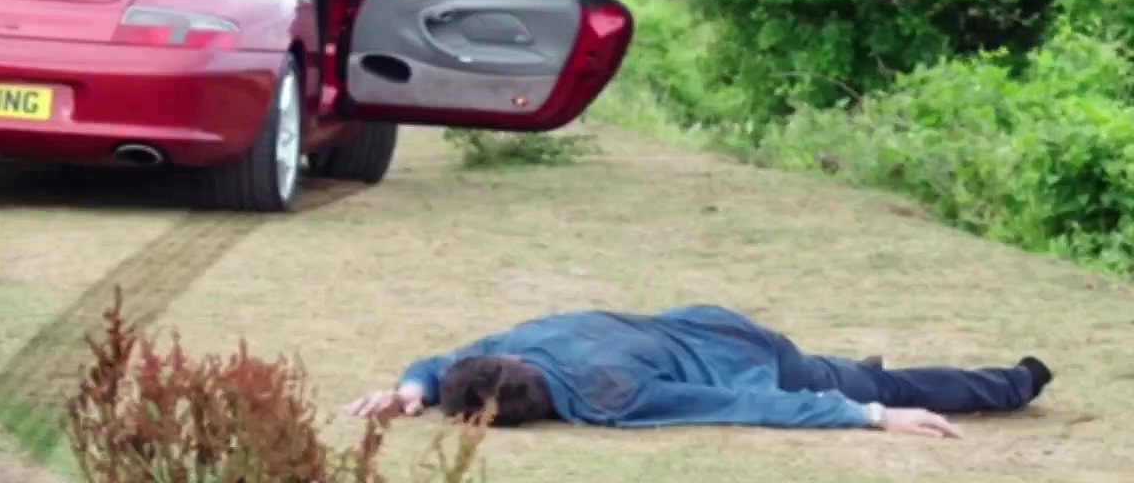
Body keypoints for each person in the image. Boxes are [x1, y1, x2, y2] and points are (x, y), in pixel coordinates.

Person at [345, 305, 1053, 438]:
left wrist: (871, 417)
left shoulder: (610, 398)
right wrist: (412, 390)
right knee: (854, 377)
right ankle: (857, 378)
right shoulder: (524, 341)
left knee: (883, 388)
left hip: (754, 359)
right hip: (707, 324)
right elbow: (447, 364)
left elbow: (737, 403)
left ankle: (1015, 384)